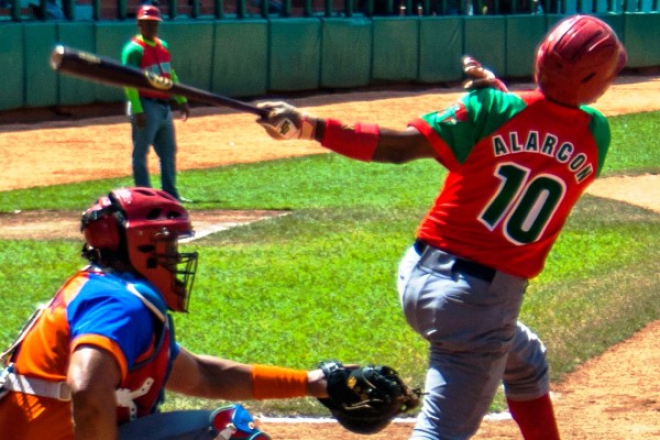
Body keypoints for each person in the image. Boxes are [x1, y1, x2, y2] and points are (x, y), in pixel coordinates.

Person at [255, 15, 627, 440]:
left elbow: (399, 148)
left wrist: (308, 126)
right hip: (479, 305)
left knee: (525, 362)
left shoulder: (492, 110)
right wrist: (498, 99)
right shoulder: (596, 135)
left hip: (418, 276)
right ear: (593, 78)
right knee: (439, 434)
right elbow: (541, 133)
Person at [0, 187, 330, 440]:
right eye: (168, 244)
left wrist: (311, 383)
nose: (175, 255)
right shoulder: (120, 305)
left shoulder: (102, 290)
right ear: (142, 245)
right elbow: (87, 387)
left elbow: (203, 375)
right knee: (228, 430)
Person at [122, 5, 191, 203]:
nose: (153, 27)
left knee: (168, 152)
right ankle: (145, 196)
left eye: (155, 23)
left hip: (163, 106)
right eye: (148, 23)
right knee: (141, 153)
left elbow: (171, 75)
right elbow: (129, 82)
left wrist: (181, 99)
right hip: (145, 104)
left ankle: (170, 194)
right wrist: (137, 109)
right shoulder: (133, 50)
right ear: (139, 24)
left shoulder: (163, 46)